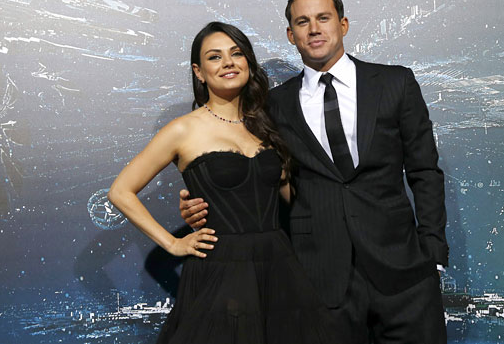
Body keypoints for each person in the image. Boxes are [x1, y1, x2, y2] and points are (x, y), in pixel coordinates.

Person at [180, 0, 449, 343]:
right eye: (303, 22)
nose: (314, 29)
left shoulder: (394, 83)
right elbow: (254, 175)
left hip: (405, 274)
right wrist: (203, 201)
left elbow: (424, 171)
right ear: (291, 35)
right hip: (319, 281)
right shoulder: (273, 106)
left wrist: (432, 252)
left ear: (343, 24)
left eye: (323, 17)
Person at [108, 21, 337, 344]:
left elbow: (290, 197)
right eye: (215, 57)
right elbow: (120, 191)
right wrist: (173, 243)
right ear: (199, 72)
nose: (228, 62)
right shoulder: (183, 130)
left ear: (248, 63)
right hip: (220, 271)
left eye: (236, 53)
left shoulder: (267, 123)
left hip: (280, 267)